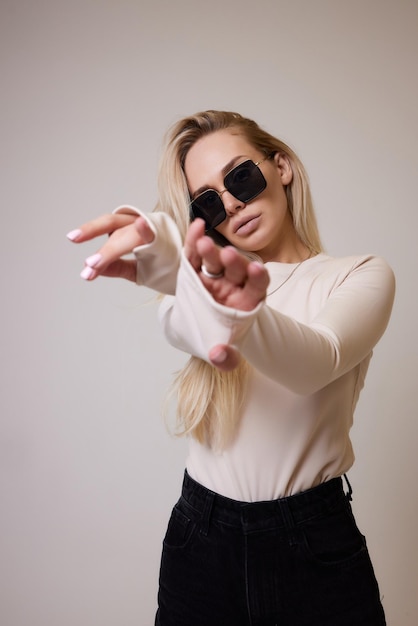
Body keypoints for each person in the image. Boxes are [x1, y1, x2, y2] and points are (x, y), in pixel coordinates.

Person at [67, 110, 395, 625]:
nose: (234, 202)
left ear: (281, 166)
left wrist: (244, 313)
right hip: (203, 535)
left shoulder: (358, 275)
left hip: (313, 539)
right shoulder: (207, 290)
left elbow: (317, 360)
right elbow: (179, 324)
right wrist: (175, 267)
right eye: (208, 202)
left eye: (241, 175)